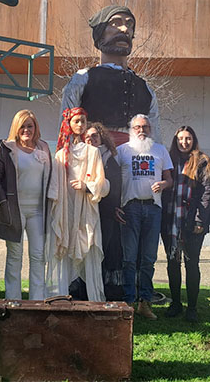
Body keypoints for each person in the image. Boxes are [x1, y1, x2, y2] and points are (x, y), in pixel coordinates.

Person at [60, 4, 160, 145]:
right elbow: (66, 130)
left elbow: (156, 138)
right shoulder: (83, 79)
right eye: (115, 23)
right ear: (100, 34)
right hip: (94, 154)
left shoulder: (145, 89)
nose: (124, 29)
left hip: (135, 156)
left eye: (129, 24)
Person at [46, 107, 108, 302]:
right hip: (66, 208)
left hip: (86, 209)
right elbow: (53, 187)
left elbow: (102, 184)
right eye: (76, 121)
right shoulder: (61, 155)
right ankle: (59, 299)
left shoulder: (93, 152)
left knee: (87, 246)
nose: (80, 125)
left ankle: (94, 300)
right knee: (63, 246)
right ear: (69, 124)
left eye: (83, 121)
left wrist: (86, 186)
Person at [116, 114, 173, 320]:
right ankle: (129, 302)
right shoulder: (122, 151)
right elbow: (112, 179)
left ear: (151, 129)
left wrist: (163, 184)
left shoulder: (160, 150)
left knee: (148, 258)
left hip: (153, 208)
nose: (142, 130)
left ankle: (145, 302)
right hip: (129, 208)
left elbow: (170, 179)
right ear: (131, 129)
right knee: (129, 259)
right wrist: (115, 206)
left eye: (145, 127)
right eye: (138, 127)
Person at [0, 110, 52, 300]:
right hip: (14, 211)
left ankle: (37, 301)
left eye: (30, 126)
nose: (26, 130)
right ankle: (13, 301)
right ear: (16, 128)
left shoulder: (44, 147)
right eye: (22, 126)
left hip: (38, 211)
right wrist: (3, 201)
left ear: (36, 128)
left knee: (38, 256)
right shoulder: (6, 148)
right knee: (14, 256)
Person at [161, 126, 210, 322]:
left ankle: (192, 307)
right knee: (172, 263)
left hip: (192, 222)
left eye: (188, 138)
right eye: (180, 139)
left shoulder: (202, 160)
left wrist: (200, 220)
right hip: (170, 221)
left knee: (192, 264)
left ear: (194, 140)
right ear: (175, 141)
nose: (184, 142)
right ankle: (176, 303)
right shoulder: (168, 159)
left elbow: (207, 193)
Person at [84, 122, 124, 301]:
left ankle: (103, 290)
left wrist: (114, 207)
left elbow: (115, 187)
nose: (91, 139)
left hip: (105, 213)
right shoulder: (81, 157)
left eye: (94, 136)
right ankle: (85, 289)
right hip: (85, 211)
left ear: (102, 138)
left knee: (104, 251)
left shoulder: (109, 159)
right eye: (87, 136)